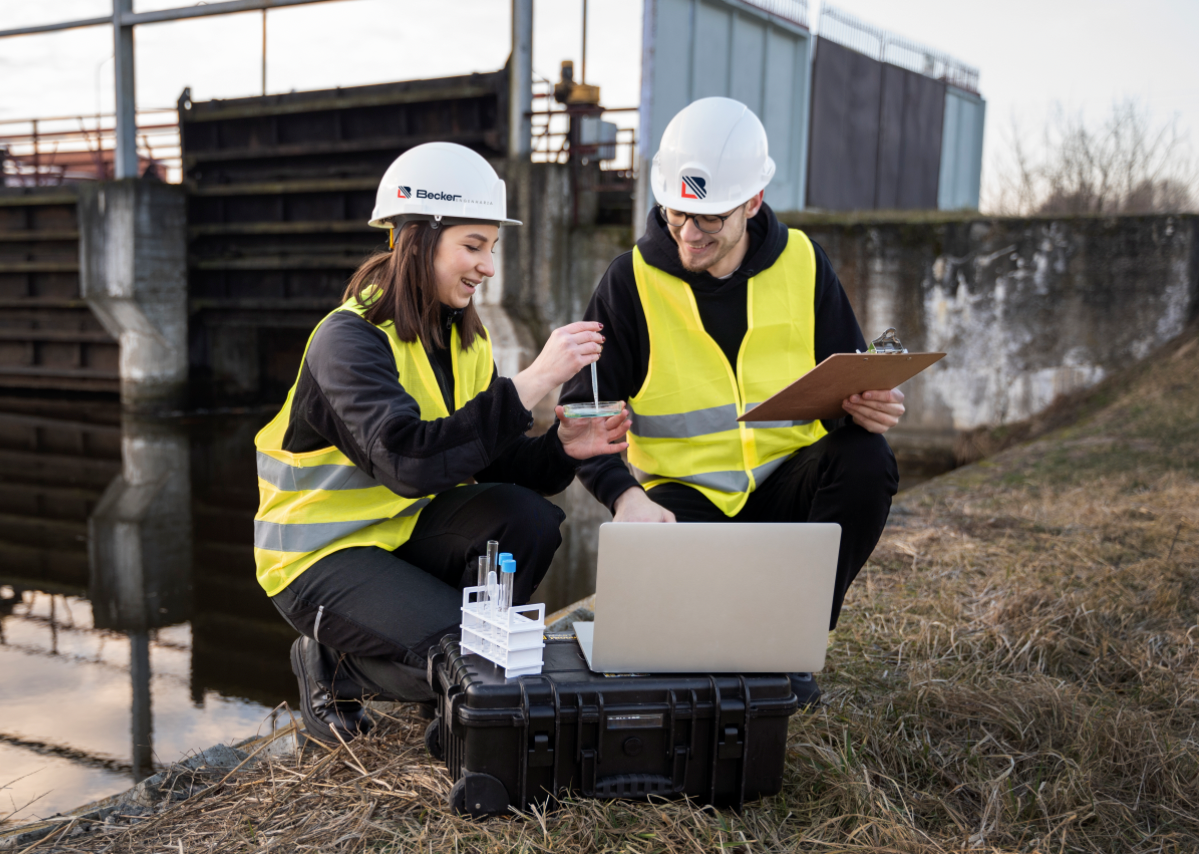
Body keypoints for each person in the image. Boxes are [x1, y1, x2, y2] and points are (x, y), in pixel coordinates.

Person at [255, 142, 630, 743]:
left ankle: (455, 693)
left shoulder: (463, 341)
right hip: (317, 558)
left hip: (401, 535)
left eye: (492, 248)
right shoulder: (347, 342)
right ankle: (330, 665)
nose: (487, 266)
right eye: (473, 246)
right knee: (469, 655)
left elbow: (493, 461)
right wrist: (534, 379)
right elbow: (406, 461)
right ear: (419, 239)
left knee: (529, 517)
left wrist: (564, 448)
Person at [559, 98, 903, 707]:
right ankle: (716, 648)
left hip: (786, 485)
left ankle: (789, 641)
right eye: (678, 212)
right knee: (667, 646)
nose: (690, 233)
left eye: (711, 218)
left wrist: (866, 405)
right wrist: (624, 495)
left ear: (753, 202)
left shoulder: (803, 264)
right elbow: (584, 412)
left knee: (866, 458)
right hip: (683, 500)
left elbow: (844, 383)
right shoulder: (629, 281)